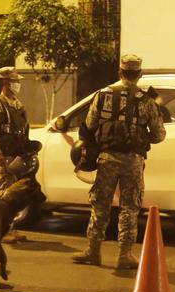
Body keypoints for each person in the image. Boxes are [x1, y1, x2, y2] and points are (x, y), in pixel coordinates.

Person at [71, 54, 166, 269]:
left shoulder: (103, 96)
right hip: (133, 161)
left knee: (100, 205)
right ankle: (125, 254)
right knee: (129, 207)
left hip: (107, 159)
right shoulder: (147, 100)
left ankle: (93, 251)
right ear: (139, 74)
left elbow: (89, 125)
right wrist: (141, 136)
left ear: (120, 72)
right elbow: (159, 135)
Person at [0, 66, 32, 244]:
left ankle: (11, 228)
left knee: (13, 197)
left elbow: (24, 130)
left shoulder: (17, 105)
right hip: (2, 158)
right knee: (1, 196)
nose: (17, 84)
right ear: (5, 82)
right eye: (14, 81)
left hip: (16, 158)